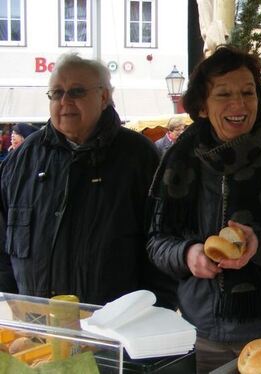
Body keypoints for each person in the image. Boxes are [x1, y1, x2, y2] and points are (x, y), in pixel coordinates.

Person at [146, 45, 261, 373]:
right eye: (223, 94)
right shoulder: (180, 161)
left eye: (247, 92)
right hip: (199, 334)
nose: (238, 104)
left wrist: (260, 245)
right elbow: (157, 241)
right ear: (201, 106)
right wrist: (188, 254)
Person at [0, 53, 177, 308]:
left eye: (76, 92)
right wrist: (10, 303)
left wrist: (155, 316)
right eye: (57, 93)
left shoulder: (138, 157)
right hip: (36, 330)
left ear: (104, 96)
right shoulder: (24, 158)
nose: (65, 101)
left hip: (115, 330)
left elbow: (162, 244)